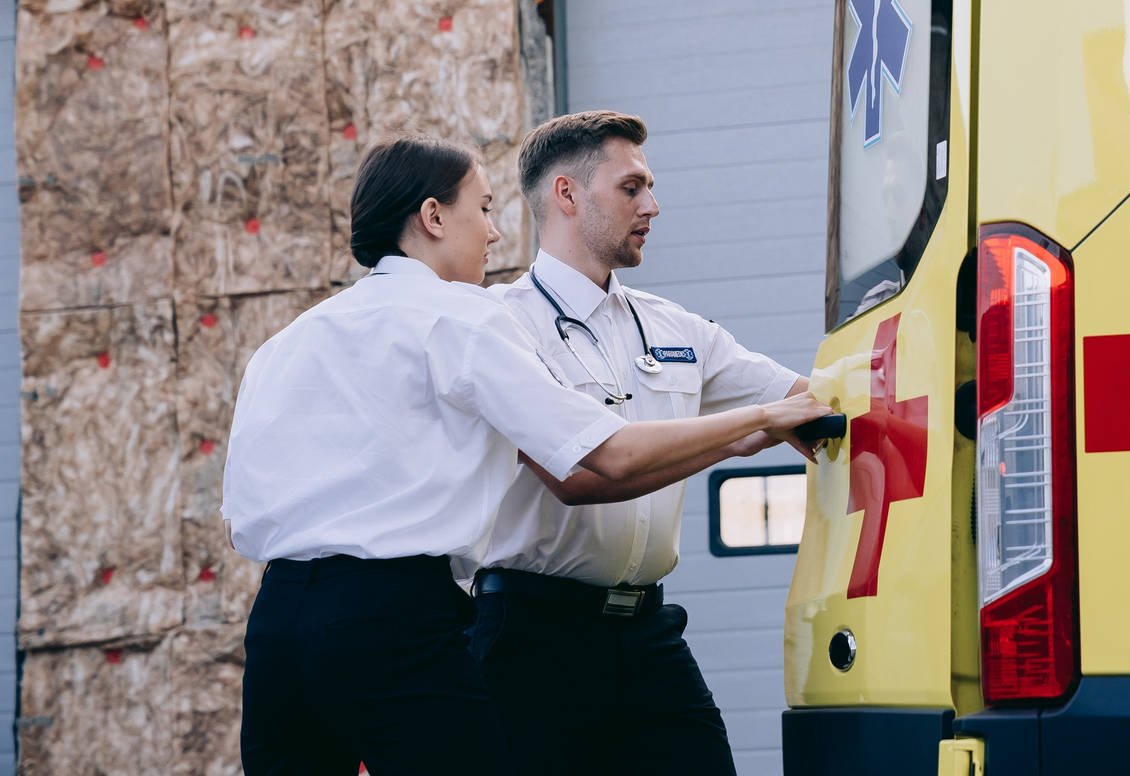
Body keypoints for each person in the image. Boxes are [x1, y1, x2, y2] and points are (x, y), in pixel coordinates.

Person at [223, 134, 827, 776]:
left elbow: (240, 512)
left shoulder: (287, 341)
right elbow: (606, 456)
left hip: (278, 623)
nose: (492, 233)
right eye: (481, 210)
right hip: (397, 616)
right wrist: (763, 420)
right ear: (432, 217)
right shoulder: (462, 317)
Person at [464, 110, 815, 775]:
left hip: (648, 632)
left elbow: (805, 401)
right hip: (533, 638)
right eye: (632, 188)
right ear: (567, 194)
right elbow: (582, 478)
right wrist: (744, 429)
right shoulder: (499, 327)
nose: (653, 205)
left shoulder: (675, 328)